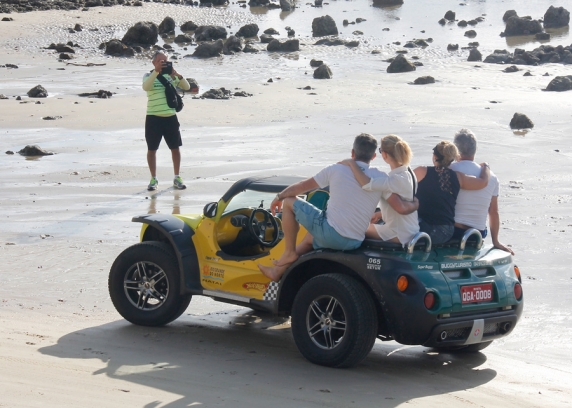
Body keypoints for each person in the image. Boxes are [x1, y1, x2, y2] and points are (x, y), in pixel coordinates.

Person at [258, 133, 417, 282]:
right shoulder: (382, 177)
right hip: (354, 241)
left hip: (333, 236)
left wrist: (279, 197)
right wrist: (415, 203)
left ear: (352, 152)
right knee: (309, 238)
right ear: (374, 156)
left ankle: (289, 253)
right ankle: (277, 272)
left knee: (289, 202)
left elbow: (301, 187)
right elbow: (397, 204)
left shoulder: (336, 169)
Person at [340, 134, 419, 245]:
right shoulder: (409, 173)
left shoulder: (394, 180)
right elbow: (398, 202)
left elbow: (366, 184)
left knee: (355, 227)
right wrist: (378, 214)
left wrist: (351, 163)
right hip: (412, 230)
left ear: (385, 155)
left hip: (398, 234)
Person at [449, 129, 514, 255]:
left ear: (455, 150)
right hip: (477, 234)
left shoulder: (449, 171)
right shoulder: (492, 177)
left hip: (452, 232)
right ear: (475, 150)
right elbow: (493, 212)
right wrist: (496, 241)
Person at [413, 141, 490, 244]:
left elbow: (400, 186)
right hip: (447, 232)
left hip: (425, 230)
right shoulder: (458, 177)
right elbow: (483, 182)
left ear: (435, 156)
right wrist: (486, 167)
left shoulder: (421, 171)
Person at [142, 51, 190, 191]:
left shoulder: (171, 76)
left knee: (175, 148)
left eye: (166, 61)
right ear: (154, 62)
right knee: (152, 149)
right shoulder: (148, 76)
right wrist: (156, 72)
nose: (163, 64)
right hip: (153, 117)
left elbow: (187, 87)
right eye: (160, 61)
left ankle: (177, 177)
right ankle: (153, 179)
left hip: (170, 118)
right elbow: (146, 87)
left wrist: (177, 75)